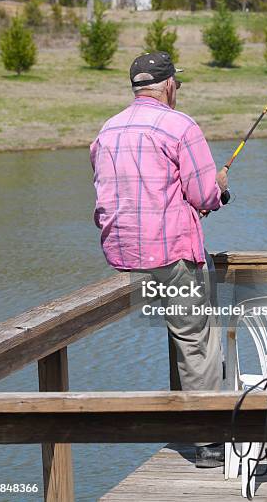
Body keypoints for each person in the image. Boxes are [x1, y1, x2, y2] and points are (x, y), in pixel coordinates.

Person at [90, 51, 228, 467]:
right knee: (197, 340)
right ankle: (207, 440)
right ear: (169, 85)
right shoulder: (180, 125)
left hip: (123, 259)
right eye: (178, 85)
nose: (178, 90)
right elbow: (204, 196)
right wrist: (219, 187)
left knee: (179, 332)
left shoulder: (108, 129)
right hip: (170, 255)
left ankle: (180, 419)